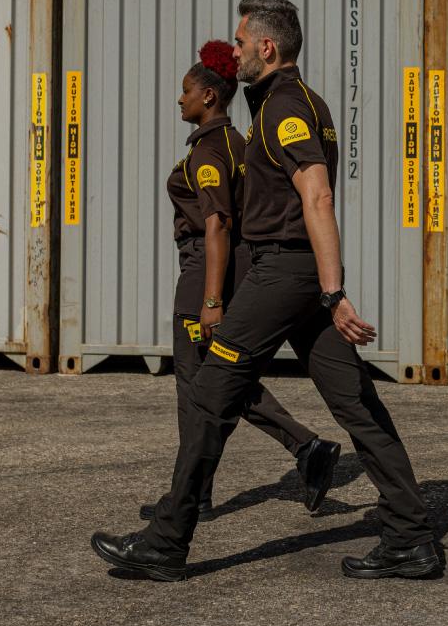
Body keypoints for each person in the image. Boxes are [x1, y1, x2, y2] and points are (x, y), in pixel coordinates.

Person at [92, 1, 439, 582]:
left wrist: (334, 293)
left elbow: (318, 198)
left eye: (240, 41)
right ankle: (411, 537)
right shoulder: (302, 105)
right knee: (356, 402)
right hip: (293, 277)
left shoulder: (285, 111)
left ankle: (166, 542)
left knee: (209, 392)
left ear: (267, 48)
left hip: (284, 274)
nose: (234, 51)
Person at [140, 40, 340, 523]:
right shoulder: (240, 142)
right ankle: (299, 449)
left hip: (204, 277)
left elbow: (218, 226)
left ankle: (192, 496)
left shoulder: (210, 151)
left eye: (186, 92)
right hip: (238, 272)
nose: (179, 100)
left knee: (198, 387)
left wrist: (210, 299)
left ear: (209, 96)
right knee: (225, 379)